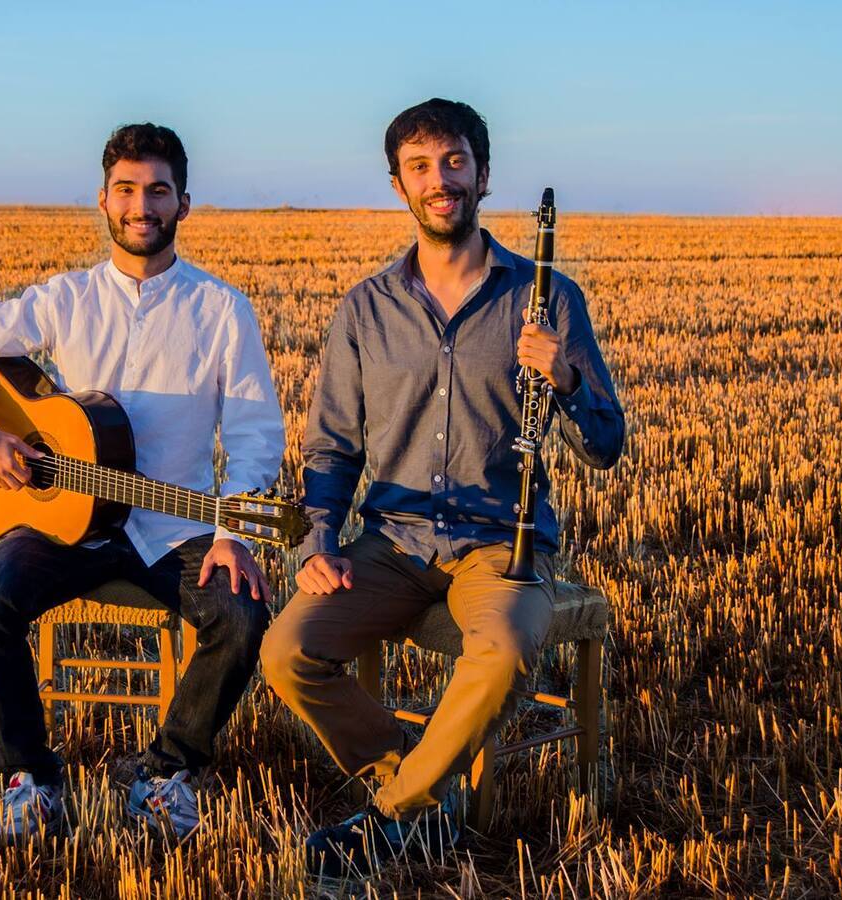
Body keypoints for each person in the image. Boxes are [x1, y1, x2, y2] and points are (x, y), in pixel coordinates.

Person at [259, 98, 626, 879]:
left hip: (504, 542)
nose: (440, 181)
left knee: (502, 652)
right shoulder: (365, 309)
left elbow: (606, 446)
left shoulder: (547, 297)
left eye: (454, 162)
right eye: (420, 167)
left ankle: (391, 818)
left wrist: (562, 377)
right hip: (392, 543)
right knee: (288, 650)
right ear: (399, 185)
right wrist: (320, 543)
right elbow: (332, 446)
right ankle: (415, 780)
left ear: (483, 175)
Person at [0, 123, 285, 842]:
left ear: (183, 203)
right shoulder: (64, 300)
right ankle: (27, 777)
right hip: (68, 524)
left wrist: (233, 533)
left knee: (240, 615)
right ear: (103, 201)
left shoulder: (221, 309)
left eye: (158, 191)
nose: (142, 205)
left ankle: (163, 771)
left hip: (170, 527)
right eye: (127, 190)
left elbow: (253, 434)